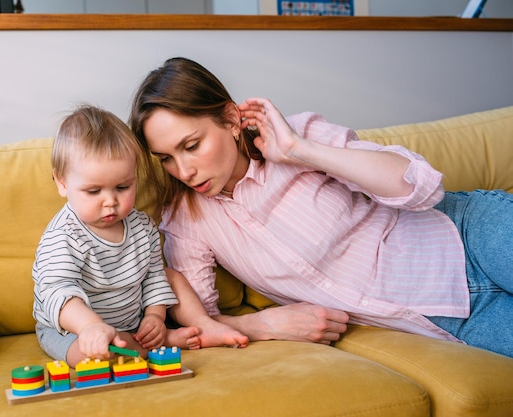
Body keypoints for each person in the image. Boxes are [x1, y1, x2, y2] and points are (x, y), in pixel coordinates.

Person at [128, 57, 513, 358]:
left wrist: (299, 150)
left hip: (469, 234)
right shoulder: (186, 219)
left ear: (230, 119)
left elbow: (422, 188)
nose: (183, 170)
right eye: (165, 158)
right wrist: (264, 324)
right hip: (448, 319)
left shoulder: (298, 136)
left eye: (191, 146)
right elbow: (203, 322)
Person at [32, 105, 248, 368]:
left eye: (122, 187)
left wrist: (155, 317)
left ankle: (202, 324)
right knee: (91, 356)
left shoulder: (141, 226)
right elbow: (59, 292)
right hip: (73, 330)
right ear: (62, 183)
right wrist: (90, 327)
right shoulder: (63, 236)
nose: (110, 202)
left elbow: (153, 276)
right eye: (93, 191)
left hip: (132, 320)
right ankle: (164, 341)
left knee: (172, 276)